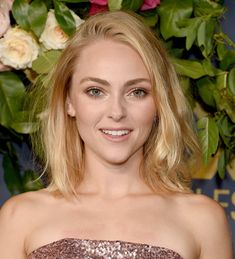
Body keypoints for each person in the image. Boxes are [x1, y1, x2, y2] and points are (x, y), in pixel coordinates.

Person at [0, 11, 233, 259]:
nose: (117, 112)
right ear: (69, 101)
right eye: (96, 91)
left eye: (137, 92)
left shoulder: (203, 220)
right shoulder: (20, 217)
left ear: (159, 103)